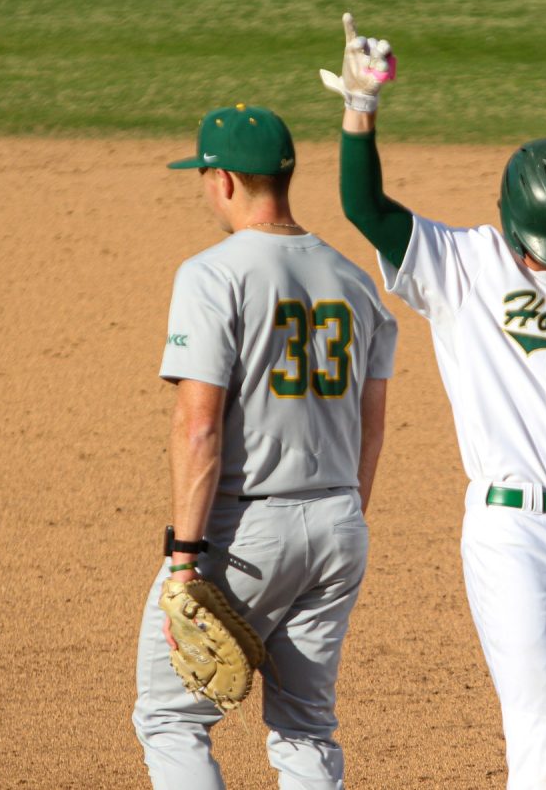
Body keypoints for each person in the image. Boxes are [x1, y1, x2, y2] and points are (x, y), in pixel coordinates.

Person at [321, 14, 546, 790]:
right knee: (537, 748)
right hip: (512, 536)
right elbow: (365, 208)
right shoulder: (461, 266)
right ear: (518, 230)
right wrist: (360, 111)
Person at [132, 102, 398, 789]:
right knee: (306, 728)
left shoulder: (212, 274)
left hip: (244, 532)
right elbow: (374, 423)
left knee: (171, 719)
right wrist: (345, 516)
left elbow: (199, 426)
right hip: (340, 523)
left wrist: (185, 558)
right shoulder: (356, 282)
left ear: (222, 179)